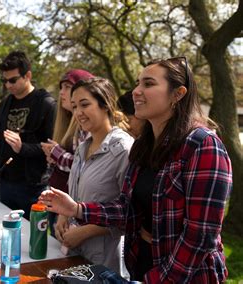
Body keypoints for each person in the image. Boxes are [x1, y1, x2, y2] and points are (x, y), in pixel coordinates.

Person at [40, 57, 232, 283]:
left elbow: (199, 238)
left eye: (148, 84)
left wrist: (155, 280)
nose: (136, 91)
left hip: (186, 275)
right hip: (142, 262)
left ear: (178, 94)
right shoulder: (144, 145)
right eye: (138, 84)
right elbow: (128, 210)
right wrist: (77, 209)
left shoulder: (202, 145)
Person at [56, 78, 133, 275]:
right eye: (74, 106)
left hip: (105, 261)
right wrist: (63, 215)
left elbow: (131, 213)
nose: (78, 113)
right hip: (74, 255)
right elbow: (75, 193)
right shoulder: (82, 147)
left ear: (105, 104)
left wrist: (85, 232)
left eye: (85, 104)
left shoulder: (124, 149)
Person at [0, 51, 56, 219]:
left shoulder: (46, 104)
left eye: (12, 80)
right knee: (7, 234)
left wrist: (23, 147)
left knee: (33, 238)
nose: (8, 85)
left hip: (34, 185)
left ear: (27, 75)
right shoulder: (5, 104)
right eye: (4, 80)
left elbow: (52, 149)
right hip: (7, 182)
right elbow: (3, 142)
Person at [40, 69, 94, 237]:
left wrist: (56, 153)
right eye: (61, 88)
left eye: (67, 87)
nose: (62, 93)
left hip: (76, 209)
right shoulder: (67, 123)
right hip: (61, 202)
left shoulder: (86, 127)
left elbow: (85, 166)